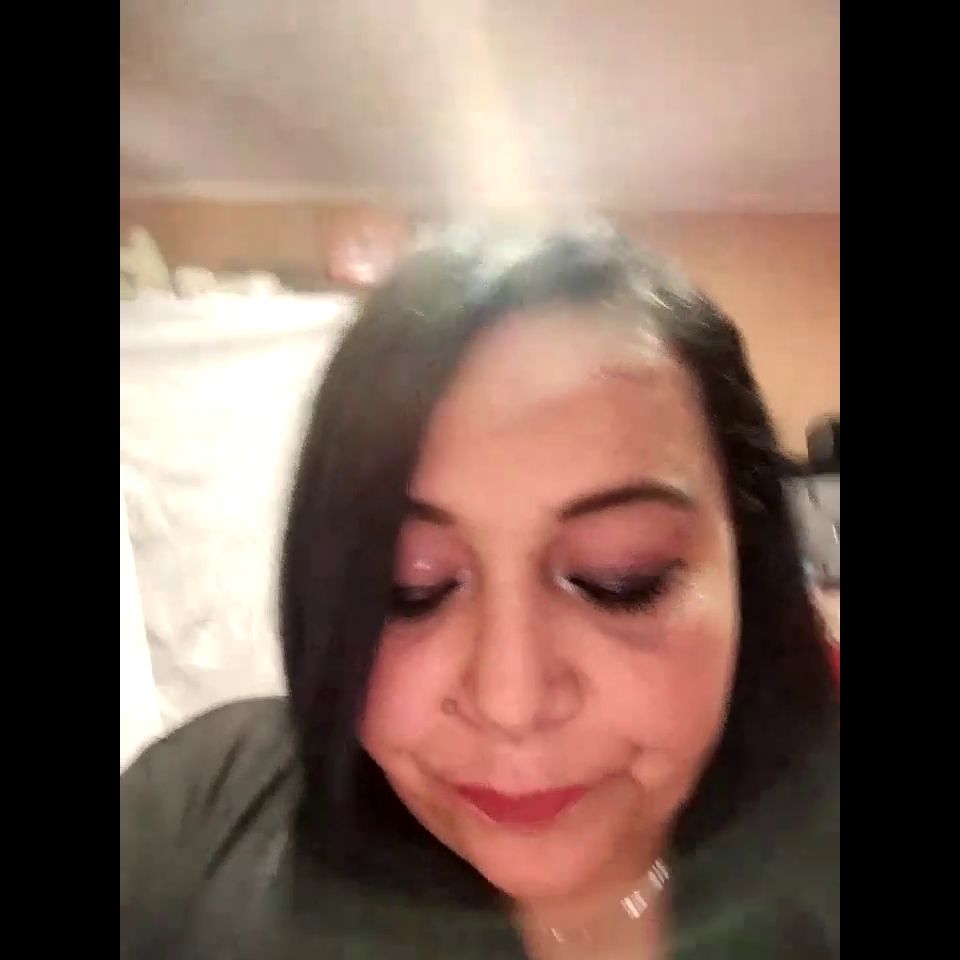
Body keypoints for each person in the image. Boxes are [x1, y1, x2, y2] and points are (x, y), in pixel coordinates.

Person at [120, 223, 839, 959]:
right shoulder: (202, 813)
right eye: (409, 587)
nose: (510, 702)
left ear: (748, 568)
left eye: (620, 578)